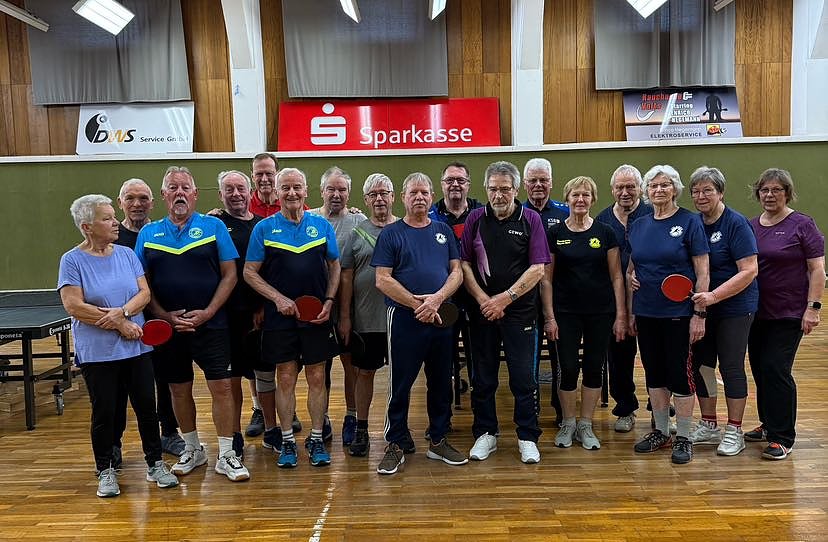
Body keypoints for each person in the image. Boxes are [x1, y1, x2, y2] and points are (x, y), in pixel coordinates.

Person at [58, 194, 179, 498]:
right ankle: (105, 469)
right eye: (107, 218)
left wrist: (123, 313)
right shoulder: (71, 261)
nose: (115, 223)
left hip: (136, 349)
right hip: (98, 354)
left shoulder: (126, 254)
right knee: (106, 413)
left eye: (113, 216)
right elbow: (74, 306)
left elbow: (144, 294)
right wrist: (121, 323)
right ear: (87, 226)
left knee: (146, 409)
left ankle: (155, 463)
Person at [135, 166, 249, 482]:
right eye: (173, 187)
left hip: (212, 325)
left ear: (196, 194)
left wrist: (209, 312)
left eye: (186, 187)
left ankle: (226, 454)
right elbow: (142, 282)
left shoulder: (214, 226)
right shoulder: (148, 234)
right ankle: (193, 449)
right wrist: (163, 316)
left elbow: (230, 275)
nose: (180, 192)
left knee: (222, 387)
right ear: (164, 195)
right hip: (169, 328)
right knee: (178, 388)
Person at [243, 167, 341, 468]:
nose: (291, 193)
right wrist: (277, 298)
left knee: (316, 377)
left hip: (316, 318)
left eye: (296, 187)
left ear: (306, 190)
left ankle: (314, 438)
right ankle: (286, 441)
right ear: (276, 191)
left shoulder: (321, 226)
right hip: (280, 319)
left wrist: (329, 300)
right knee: (284, 377)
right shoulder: (263, 228)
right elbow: (249, 272)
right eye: (285, 187)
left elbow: (335, 265)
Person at [372, 172, 467, 475]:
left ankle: (438, 439)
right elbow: (382, 279)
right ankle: (396, 442)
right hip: (404, 319)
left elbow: (457, 273)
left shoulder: (443, 231)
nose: (420, 198)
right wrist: (418, 305)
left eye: (425, 193)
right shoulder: (391, 233)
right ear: (403, 197)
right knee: (400, 384)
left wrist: (436, 300)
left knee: (441, 382)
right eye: (413, 193)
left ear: (431, 196)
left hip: (440, 318)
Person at [460, 161, 548, 464]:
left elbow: (538, 268)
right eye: (494, 189)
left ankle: (527, 436)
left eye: (505, 189)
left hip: (520, 314)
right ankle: (486, 434)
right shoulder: (475, 219)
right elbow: (465, 265)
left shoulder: (531, 219)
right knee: (483, 378)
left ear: (516, 189)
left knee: (523, 378)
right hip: (482, 312)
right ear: (486, 189)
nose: (499, 195)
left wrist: (505, 299)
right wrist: (485, 299)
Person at [627, 165, 710, 465]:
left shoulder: (690, 222)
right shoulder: (638, 225)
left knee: (680, 373)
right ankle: (661, 432)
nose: (659, 190)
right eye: (653, 185)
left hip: (678, 313)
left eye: (665, 185)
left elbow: (703, 272)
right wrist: (631, 281)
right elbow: (632, 267)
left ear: (675, 188)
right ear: (646, 191)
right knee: (654, 373)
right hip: (646, 311)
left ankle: (684, 437)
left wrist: (699, 313)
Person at [746, 168, 825, 460]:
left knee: (776, 369)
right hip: (756, 312)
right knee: (760, 370)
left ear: (787, 193)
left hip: (790, 313)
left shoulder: (803, 224)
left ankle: (783, 437)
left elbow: (817, 269)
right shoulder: (752, 225)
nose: (769, 195)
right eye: (765, 190)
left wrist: (813, 308)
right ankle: (768, 425)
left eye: (776, 190)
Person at [544, 176, 626, 451]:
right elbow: (546, 279)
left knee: (594, 367)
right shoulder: (554, 234)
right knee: (567, 368)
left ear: (593, 199)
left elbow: (616, 277)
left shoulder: (605, 233)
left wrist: (620, 315)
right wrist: (550, 316)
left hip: (600, 312)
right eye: (575, 195)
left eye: (586, 195)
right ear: (566, 199)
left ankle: (586, 424)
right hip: (565, 313)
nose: (580, 200)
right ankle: (568, 422)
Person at [685, 166, 758, 457]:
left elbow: (749, 270)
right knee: (702, 365)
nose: (701, 196)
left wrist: (713, 295)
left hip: (735, 308)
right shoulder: (693, 223)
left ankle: (734, 430)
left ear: (721, 192)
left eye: (708, 191)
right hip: (702, 309)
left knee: (730, 367)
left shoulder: (736, 224)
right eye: (696, 191)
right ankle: (709, 424)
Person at [113, 178, 185, 457]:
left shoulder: (162, 232)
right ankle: (114, 443)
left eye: (143, 198)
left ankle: (169, 432)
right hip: (122, 326)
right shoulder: (110, 236)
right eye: (130, 198)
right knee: (120, 387)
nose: (137, 204)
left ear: (153, 202)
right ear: (120, 202)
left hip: (162, 323)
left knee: (166, 380)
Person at [338, 173, 398, 457]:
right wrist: (346, 317)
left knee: (401, 377)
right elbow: (347, 277)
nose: (379, 198)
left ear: (393, 197)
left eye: (384, 193)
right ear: (365, 200)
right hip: (366, 319)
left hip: (399, 319)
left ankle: (399, 429)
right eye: (373, 194)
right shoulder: (356, 233)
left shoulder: (404, 229)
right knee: (364, 374)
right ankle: (361, 428)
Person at [310, 166, 367, 446]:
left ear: (349, 193)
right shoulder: (306, 219)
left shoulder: (359, 220)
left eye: (342, 189)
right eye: (331, 189)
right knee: (320, 367)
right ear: (321, 192)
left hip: (348, 307)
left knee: (350, 365)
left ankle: (352, 416)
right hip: (314, 307)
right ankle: (323, 419)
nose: (336, 194)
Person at [214, 170, 268, 460]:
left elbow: (267, 270)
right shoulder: (214, 224)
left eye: (240, 188)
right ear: (221, 195)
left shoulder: (262, 225)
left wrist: (261, 306)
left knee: (265, 373)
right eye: (229, 189)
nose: (236, 194)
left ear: (250, 192)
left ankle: (268, 422)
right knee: (232, 377)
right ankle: (233, 433)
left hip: (259, 314)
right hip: (226, 317)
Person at [595, 165, 653, 433]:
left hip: (652, 301)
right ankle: (626, 408)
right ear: (612, 190)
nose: (625, 192)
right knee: (619, 357)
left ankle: (660, 409)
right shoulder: (602, 220)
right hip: (613, 303)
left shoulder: (655, 214)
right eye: (620, 187)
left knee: (656, 357)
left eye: (631, 186)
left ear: (640, 188)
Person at [428, 161, 482, 414]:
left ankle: (483, 422)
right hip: (443, 300)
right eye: (450, 180)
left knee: (480, 363)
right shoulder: (429, 216)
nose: (455, 185)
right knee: (441, 364)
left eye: (460, 180)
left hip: (477, 299)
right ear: (442, 185)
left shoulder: (483, 213)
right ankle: (441, 420)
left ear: (468, 184)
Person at [522, 157, 569, 424]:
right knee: (529, 360)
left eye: (543, 180)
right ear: (525, 185)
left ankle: (562, 411)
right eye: (533, 180)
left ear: (551, 182)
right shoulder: (516, 214)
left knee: (560, 359)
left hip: (559, 301)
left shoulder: (565, 213)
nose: (538, 185)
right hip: (526, 301)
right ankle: (532, 408)